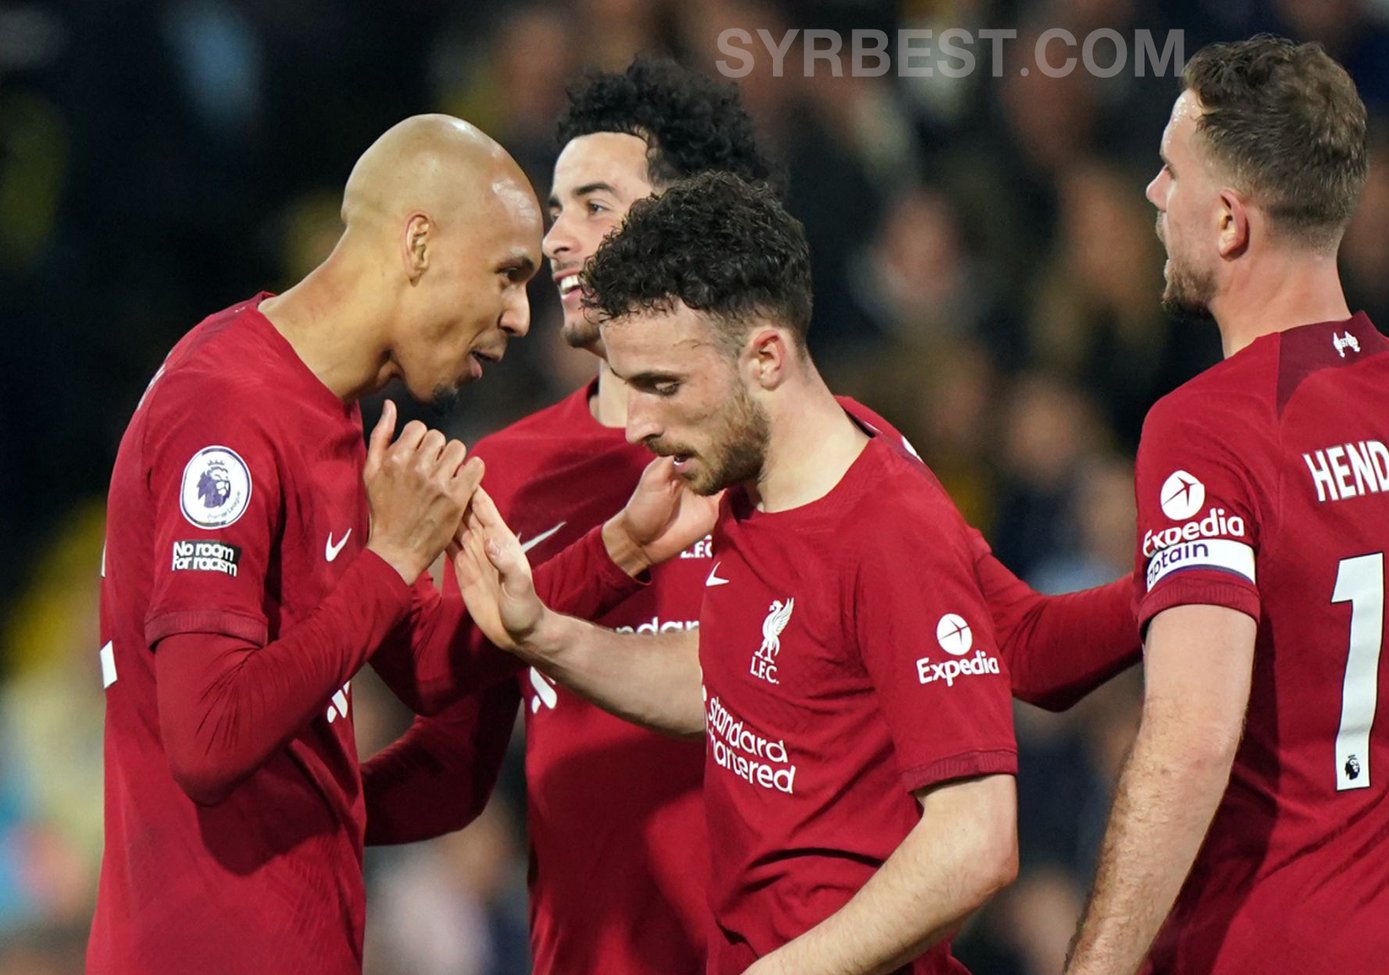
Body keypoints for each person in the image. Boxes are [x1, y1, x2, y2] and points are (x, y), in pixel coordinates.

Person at [361, 59, 1145, 974]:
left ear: (690, 221)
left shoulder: (828, 465)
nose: (559, 239)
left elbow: (1009, 646)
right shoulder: (517, 474)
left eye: (596, 205)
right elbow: (688, 683)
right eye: (555, 208)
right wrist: (302, 801)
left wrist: (1187, 580)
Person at [90, 114, 712, 974]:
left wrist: (619, 549)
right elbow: (207, 737)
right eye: (507, 274)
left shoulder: (327, 413)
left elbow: (424, 662)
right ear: (418, 243)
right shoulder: (226, 408)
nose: (518, 317)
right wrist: (391, 561)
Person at [451, 170, 1024, 975]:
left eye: (662, 386)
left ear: (765, 357)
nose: (638, 425)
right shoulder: (747, 500)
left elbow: (977, 837)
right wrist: (542, 632)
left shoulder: (891, 529)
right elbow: (722, 682)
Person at [1062, 37, 1389, 975]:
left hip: (1275, 945)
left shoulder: (1209, 428)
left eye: (1171, 171)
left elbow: (1189, 741)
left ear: (1228, 221)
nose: (1153, 193)